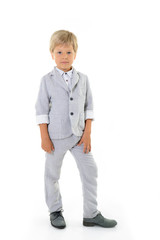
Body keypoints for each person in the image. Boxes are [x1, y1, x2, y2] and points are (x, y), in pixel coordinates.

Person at [35, 29, 117, 229]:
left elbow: (89, 107)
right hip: (56, 137)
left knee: (90, 171)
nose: (64, 57)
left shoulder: (84, 79)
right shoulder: (47, 80)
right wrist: (44, 137)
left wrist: (87, 133)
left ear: (75, 53)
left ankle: (91, 214)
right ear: (52, 54)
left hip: (80, 136)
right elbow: (41, 110)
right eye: (59, 52)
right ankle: (55, 210)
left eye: (69, 52)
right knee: (52, 175)